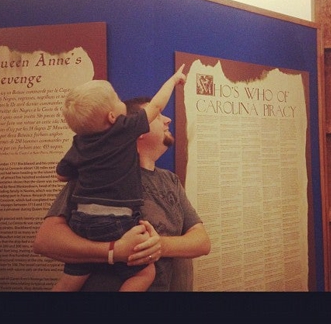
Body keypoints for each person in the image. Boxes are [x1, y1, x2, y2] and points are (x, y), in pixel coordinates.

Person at [33, 95, 211, 291]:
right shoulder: (97, 174)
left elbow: (201, 242)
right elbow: (46, 240)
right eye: (159, 115)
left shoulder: (170, 180)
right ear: (140, 129)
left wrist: (159, 245)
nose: (167, 120)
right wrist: (113, 251)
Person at [51, 65, 187, 292]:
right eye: (115, 97)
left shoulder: (80, 142)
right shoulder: (122, 130)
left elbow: (60, 173)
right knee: (146, 272)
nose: (166, 120)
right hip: (117, 221)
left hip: (82, 222)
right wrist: (173, 80)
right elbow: (157, 104)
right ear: (113, 117)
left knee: (69, 281)